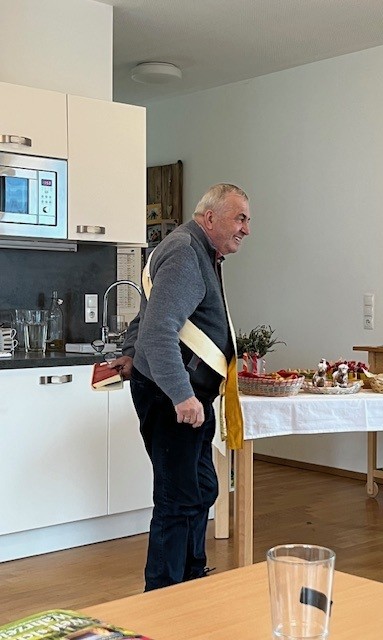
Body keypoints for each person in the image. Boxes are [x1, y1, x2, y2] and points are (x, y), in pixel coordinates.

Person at [110, 183, 251, 591]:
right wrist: (182, 394)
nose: (246, 229)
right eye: (240, 218)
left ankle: (191, 580)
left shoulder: (196, 249)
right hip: (173, 395)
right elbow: (159, 330)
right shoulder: (187, 253)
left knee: (201, 488)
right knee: (177, 499)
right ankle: (163, 593)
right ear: (210, 217)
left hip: (185, 394)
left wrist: (131, 352)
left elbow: (149, 314)